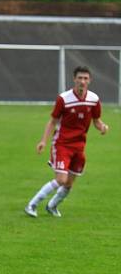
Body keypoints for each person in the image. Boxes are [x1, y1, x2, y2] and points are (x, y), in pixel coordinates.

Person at [25, 66, 109, 218]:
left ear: (89, 80)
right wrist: (43, 141)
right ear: (74, 79)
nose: (82, 81)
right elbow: (53, 121)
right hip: (62, 144)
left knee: (69, 183)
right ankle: (32, 204)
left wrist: (102, 127)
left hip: (79, 146)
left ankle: (52, 206)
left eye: (85, 78)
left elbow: (96, 121)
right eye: (80, 78)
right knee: (61, 179)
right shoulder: (63, 98)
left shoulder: (94, 99)